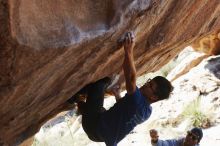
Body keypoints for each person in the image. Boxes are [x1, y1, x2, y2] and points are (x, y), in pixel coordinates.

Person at [67, 32, 173, 146]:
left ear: (154, 97)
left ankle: (74, 98)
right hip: (100, 132)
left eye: (150, 86)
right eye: (149, 82)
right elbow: (126, 111)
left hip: (93, 125)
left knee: (101, 84)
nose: (146, 84)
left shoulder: (137, 101)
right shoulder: (147, 112)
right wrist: (118, 95)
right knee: (99, 108)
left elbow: (131, 78)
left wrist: (128, 50)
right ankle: (80, 102)